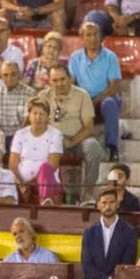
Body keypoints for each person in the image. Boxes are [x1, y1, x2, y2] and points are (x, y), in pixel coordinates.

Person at [41, 63, 101, 202]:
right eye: (55, 80)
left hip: (77, 140)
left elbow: (89, 127)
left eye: (62, 79)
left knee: (93, 147)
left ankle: (87, 194)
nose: (59, 83)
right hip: (52, 142)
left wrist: (72, 142)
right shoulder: (44, 96)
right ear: (49, 81)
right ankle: (47, 195)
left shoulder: (82, 95)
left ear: (70, 78)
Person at [67, 21, 122, 159]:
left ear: (101, 36)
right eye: (88, 35)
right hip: (83, 99)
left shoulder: (110, 57)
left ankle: (112, 147)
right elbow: (72, 84)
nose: (93, 38)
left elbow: (114, 87)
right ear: (83, 38)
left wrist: (95, 100)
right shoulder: (75, 57)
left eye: (95, 34)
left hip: (104, 98)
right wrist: (82, 101)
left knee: (109, 103)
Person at [9, 97, 63, 204]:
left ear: (47, 117)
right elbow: (13, 165)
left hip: (46, 180)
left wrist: (33, 182)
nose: (38, 117)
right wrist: (22, 183)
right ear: (29, 116)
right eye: (34, 113)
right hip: (22, 181)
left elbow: (53, 164)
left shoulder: (56, 134)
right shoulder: (20, 134)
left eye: (42, 114)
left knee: (45, 167)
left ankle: (45, 201)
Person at [79, 187, 136, 279]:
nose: (108, 206)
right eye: (104, 203)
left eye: (112, 202)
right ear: (98, 205)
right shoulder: (89, 232)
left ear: (117, 204)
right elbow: (87, 265)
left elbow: (128, 263)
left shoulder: (129, 232)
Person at [0, 61, 39, 144]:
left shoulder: (30, 93)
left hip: (23, 138)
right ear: (1, 76)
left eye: (13, 74)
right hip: (1, 137)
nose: (9, 78)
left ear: (19, 74)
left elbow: (33, 122)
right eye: (5, 75)